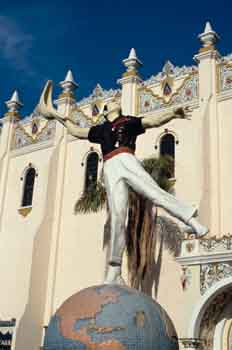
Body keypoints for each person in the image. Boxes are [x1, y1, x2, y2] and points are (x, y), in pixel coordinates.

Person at [36, 81, 209, 284]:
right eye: (112, 102)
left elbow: (152, 120)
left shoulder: (128, 121)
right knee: (118, 216)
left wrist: (172, 113)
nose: (116, 101)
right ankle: (115, 270)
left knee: (154, 192)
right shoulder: (101, 130)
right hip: (110, 167)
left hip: (126, 159)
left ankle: (192, 221)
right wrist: (58, 117)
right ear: (106, 110)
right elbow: (77, 131)